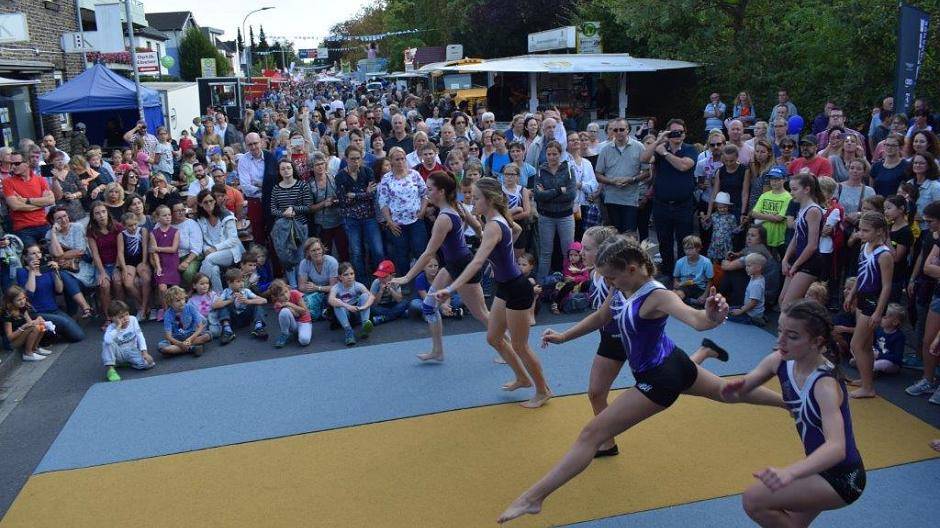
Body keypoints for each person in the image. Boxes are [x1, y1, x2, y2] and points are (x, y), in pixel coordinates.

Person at [496, 235, 783, 524]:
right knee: (726, 391)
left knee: (591, 435)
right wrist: (563, 337)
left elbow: (697, 320)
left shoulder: (657, 295)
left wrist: (712, 315)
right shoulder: (621, 286)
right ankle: (791, 404)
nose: (608, 282)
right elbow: (601, 317)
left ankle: (533, 498)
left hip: (659, 378)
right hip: (673, 361)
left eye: (612, 277)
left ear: (632, 269)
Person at [723, 300, 865, 527]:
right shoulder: (779, 361)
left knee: (754, 499)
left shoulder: (825, 385)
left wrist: (790, 473)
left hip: (843, 477)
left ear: (816, 341)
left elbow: (836, 448)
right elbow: (742, 389)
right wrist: (734, 390)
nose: (780, 341)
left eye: (792, 336)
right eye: (780, 331)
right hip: (818, 467)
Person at [436, 178, 552, 408]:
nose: (472, 201)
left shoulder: (493, 226)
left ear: (489, 200)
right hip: (505, 287)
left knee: (520, 346)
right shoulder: (496, 220)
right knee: (493, 337)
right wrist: (500, 258)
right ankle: (522, 378)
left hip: (517, 290)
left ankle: (543, 390)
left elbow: (477, 261)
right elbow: (515, 231)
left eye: (476, 198)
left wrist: (450, 288)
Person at [391, 171, 510, 362]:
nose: (426, 192)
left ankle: (510, 347)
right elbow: (477, 227)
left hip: (462, 266)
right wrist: (477, 238)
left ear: (441, 191)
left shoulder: (444, 218)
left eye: (430, 189)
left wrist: (406, 277)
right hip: (453, 265)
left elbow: (428, 253)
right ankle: (437, 351)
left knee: (481, 314)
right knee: (429, 306)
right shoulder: (457, 206)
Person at [844, 211, 893, 399]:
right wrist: (852, 294)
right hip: (863, 297)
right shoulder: (865, 246)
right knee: (865, 344)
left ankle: (868, 387)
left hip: (874, 301)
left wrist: (878, 312)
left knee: (856, 345)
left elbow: (886, 286)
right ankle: (866, 380)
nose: (861, 234)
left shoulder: (884, 254)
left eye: (865, 231)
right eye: (860, 230)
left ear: (879, 231)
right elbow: (861, 273)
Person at [641, 120, 697, 277]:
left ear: (685, 134)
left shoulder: (690, 149)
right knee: (664, 241)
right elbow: (644, 159)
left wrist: (665, 154)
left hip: (683, 205)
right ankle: (667, 272)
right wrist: (658, 141)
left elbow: (683, 166)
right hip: (662, 205)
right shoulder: (660, 148)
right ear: (667, 133)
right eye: (673, 132)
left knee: (685, 241)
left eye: (680, 131)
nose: (677, 134)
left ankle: (683, 273)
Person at [16, 243, 87, 342]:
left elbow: (59, 290)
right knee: (67, 325)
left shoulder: (46, 269)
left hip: (54, 310)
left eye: (39, 252)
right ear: (25, 257)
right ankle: (45, 334)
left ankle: (49, 334)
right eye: (33, 253)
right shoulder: (21, 272)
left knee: (79, 335)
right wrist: (32, 271)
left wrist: (55, 272)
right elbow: (29, 294)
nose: (37, 256)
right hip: (37, 312)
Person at [378, 147, 429, 278]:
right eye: (397, 159)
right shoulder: (386, 179)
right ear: (391, 161)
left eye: (402, 159)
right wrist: (389, 222)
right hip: (397, 224)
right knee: (401, 255)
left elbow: (425, 194)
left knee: (420, 251)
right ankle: (405, 281)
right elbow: (383, 202)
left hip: (416, 221)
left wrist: (423, 211)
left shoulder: (414, 174)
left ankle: (423, 280)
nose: (400, 162)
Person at [779, 173, 826, 308]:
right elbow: (796, 237)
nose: (791, 193)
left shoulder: (813, 210)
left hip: (809, 261)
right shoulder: (802, 208)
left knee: (788, 305)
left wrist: (795, 265)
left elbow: (812, 245)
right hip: (798, 258)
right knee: (782, 301)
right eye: (791, 189)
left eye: (794, 189)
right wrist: (785, 259)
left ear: (807, 189)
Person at [335, 145, 382, 279]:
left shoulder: (367, 172)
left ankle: (381, 279)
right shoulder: (340, 176)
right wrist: (365, 193)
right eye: (352, 159)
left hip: (369, 216)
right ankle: (361, 281)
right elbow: (343, 200)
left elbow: (373, 195)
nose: (355, 161)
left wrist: (355, 195)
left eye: (358, 158)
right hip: (351, 219)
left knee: (377, 250)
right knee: (356, 252)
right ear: (346, 159)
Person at [533, 141, 576, 279]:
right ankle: (541, 284)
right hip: (546, 217)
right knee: (545, 253)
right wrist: (559, 191)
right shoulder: (540, 170)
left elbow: (571, 194)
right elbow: (538, 196)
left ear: (560, 154)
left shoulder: (568, 169)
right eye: (549, 154)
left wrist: (547, 193)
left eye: (555, 154)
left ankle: (569, 282)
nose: (551, 157)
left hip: (565, 216)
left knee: (567, 252)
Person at [595, 118, 645, 234]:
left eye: (621, 129)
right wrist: (612, 182)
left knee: (629, 234)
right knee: (615, 235)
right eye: (615, 130)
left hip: (630, 199)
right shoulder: (605, 150)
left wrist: (632, 179)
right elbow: (598, 174)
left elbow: (648, 172)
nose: (618, 132)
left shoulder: (639, 147)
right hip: (611, 199)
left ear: (628, 130)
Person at [45, 207, 97, 317]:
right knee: (62, 275)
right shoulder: (49, 234)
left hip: (82, 266)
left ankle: (76, 313)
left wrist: (59, 257)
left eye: (65, 216)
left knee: (64, 279)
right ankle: (86, 308)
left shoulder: (77, 227)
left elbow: (79, 251)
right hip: (65, 269)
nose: (63, 220)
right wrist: (54, 233)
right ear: (53, 221)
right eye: (59, 218)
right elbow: (57, 253)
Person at [270, 159, 312, 287]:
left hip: (300, 225)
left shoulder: (302, 185)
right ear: (279, 172)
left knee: (300, 256)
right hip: (283, 228)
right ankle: (293, 286)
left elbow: (308, 206)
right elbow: (273, 209)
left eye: (288, 167)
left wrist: (294, 209)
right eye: (283, 169)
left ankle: (301, 285)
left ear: (293, 169)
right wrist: (284, 213)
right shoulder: (276, 188)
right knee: (286, 257)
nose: (286, 171)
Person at [195, 189, 243, 292]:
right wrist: (207, 249)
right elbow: (202, 241)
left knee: (209, 259)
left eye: (211, 201)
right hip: (212, 253)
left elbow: (233, 240)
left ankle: (197, 289)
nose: (209, 204)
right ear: (200, 204)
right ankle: (218, 296)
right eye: (205, 202)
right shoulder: (200, 219)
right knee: (214, 269)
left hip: (230, 251)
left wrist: (215, 248)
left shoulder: (226, 215)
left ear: (215, 201)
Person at [3, 150, 54, 245]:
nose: (13, 167)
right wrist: (41, 205)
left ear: (27, 163)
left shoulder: (39, 179)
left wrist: (26, 200)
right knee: (33, 253)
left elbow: (51, 200)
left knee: (55, 251)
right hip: (23, 229)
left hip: (43, 224)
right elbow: (15, 206)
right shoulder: (7, 182)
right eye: (11, 164)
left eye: (16, 163)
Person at [86, 202, 125, 322]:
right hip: (101, 265)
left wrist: (117, 268)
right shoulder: (91, 231)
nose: (101, 215)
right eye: (97, 213)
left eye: (103, 212)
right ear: (93, 216)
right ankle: (109, 317)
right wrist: (102, 272)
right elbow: (95, 254)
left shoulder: (117, 227)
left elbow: (120, 251)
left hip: (116, 263)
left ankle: (122, 314)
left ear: (107, 213)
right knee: (104, 285)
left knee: (118, 282)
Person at [101, 300, 155, 382]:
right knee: (106, 343)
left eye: (127, 314)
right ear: (112, 318)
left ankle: (129, 363)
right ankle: (111, 369)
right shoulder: (111, 328)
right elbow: (107, 340)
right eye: (121, 317)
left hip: (132, 351)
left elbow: (140, 336)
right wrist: (118, 327)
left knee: (149, 363)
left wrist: (144, 352)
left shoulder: (133, 320)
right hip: (118, 353)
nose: (125, 318)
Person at [328, 262, 375, 346]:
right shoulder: (336, 287)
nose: (350, 277)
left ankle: (365, 325)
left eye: (352, 274)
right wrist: (347, 306)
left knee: (365, 296)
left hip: (357, 313)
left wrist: (363, 307)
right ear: (340, 277)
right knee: (337, 303)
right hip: (345, 316)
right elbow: (330, 300)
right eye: (346, 275)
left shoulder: (358, 285)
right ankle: (348, 331)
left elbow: (372, 297)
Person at [116, 211, 152, 321]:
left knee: (146, 278)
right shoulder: (121, 235)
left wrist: (144, 263)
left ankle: (143, 308)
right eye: (130, 225)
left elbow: (145, 247)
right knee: (127, 283)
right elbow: (120, 252)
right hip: (129, 262)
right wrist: (124, 268)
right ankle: (144, 306)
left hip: (141, 260)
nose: (133, 227)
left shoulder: (143, 231)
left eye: (135, 224)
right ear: (124, 225)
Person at [750, 166, 792, 258]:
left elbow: (779, 218)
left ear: (784, 179)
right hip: (763, 237)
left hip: (779, 238)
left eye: (777, 179)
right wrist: (771, 216)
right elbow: (753, 213)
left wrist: (763, 216)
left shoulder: (788, 197)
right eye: (772, 179)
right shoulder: (764, 195)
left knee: (779, 261)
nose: (773, 182)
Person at [158, 286, 210, 356]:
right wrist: (180, 344)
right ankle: (191, 348)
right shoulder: (167, 314)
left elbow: (200, 326)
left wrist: (190, 339)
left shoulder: (190, 307)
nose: (182, 302)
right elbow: (168, 336)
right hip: (177, 338)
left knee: (207, 336)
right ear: (170, 303)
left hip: (191, 334)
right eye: (178, 301)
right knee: (162, 347)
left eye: (183, 299)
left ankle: (182, 349)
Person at [1, 285, 49, 361]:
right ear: (11, 301)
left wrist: (38, 320)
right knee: (35, 328)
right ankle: (28, 353)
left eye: (24, 298)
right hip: (10, 343)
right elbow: (9, 337)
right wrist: (23, 327)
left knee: (41, 325)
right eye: (19, 300)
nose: (22, 301)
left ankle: (34, 348)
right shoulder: (7, 314)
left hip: (20, 336)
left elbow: (30, 323)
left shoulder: (22, 307)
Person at [268, 279, 312, 348]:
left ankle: (304, 331)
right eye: (281, 295)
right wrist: (288, 308)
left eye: (286, 291)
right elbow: (294, 315)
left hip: (304, 322)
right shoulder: (278, 304)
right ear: (277, 297)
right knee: (284, 311)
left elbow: (304, 311)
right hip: (293, 324)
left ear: (288, 288)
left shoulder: (295, 293)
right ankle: (285, 333)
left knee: (304, 341)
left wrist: (289, 304)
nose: (286, 296)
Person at [727, 253, 767, 325]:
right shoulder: (757, 277)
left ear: (758, 268)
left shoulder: (756, 284)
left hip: (751, 314)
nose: (746, 268)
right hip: (749, 309)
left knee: (727, 315)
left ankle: (757, 320)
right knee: (728, 309)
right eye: (746, 266)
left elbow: (753, 303)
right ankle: (760, 316)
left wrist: (740, 311)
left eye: (749, 266)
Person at [673, 235, 713, 304]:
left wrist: (704, 295)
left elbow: (710, 281)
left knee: (708, 301)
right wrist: (676, 283)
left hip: (699, 287)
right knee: (676, 294)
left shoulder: (706, 262)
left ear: (698, 248)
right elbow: (676, 277)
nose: (687, 251)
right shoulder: (680, 262)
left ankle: (690, 301)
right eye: (685, 249)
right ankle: (690, 301)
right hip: (684, 285)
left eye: (691, 248)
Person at [369, 260, 408, 325]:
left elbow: (399, 300)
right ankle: (399, 314)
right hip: (381, 306)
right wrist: (381, 291)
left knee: (405, 302)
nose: (381, 279)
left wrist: (391, 290)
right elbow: (374, 303)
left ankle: (384, 318)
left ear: (392, 275)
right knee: (372, 309)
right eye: (379, 276)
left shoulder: (396, 281)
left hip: (393, 304)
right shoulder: (376, 282)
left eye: (384, 277)